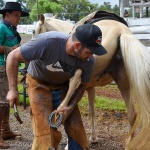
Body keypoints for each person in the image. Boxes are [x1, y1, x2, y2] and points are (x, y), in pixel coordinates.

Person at [6, 23, 107, 150]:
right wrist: (12, 90)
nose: (91, 56)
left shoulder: (88, 60)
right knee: (44, 133)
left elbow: (83, 86)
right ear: (77, 46)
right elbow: (12, 57)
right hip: (38, 82)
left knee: (77, 130)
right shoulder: (47, 42)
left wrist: (69, 108)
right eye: (89, 52)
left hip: (63, 85)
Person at [0, 2, 29, 149]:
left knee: (6, 101)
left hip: (9, 68)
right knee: (1, 102)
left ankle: (5, 130)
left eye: (19, 15)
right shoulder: (1, 28)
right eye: (16, 15)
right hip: (1, 67)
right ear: (7, 15)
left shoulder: (12, 29)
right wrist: (11, 49)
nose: (19, 18)